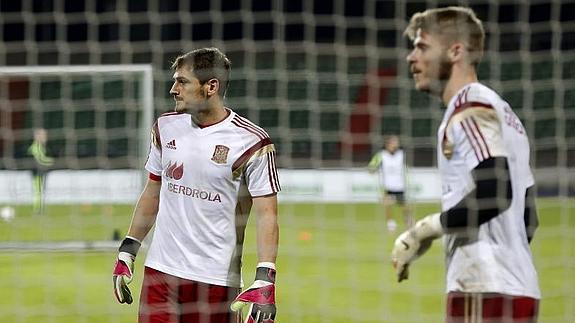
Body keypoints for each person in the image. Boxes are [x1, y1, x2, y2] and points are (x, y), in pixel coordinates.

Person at [391, 7, 540, 322]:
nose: (411, 57)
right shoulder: (506, 114)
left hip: (483, 288)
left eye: (421, 46)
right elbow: (529, 218)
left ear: (455, 51)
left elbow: (495, 190)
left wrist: (423, 230)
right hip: (519, 288)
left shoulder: (470, 104)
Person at [112, 47, 281, 323]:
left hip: (215, 280)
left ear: (210, 86)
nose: (173, 89)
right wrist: (128, 248)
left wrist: (265, 277)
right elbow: (152, 192)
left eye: (182, 81)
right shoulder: (164, 128)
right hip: (160, 272)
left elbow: (267, 214)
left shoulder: (253, 143)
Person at [368, 135, 413, 231]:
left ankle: (408, 221)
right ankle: (390, 223)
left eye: (396, 142)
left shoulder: (401, 154)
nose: (396, 144)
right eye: (394, 142)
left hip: (400, 185)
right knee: (388, 205)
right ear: (388, 144)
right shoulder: (381, 155)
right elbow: (371, 167)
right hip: (387, 186)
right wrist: (373, 169)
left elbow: (407, 167)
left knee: (405, 205)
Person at [27, 128, 54, 215]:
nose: (45, 137)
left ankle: (39, 209)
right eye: (42, 135)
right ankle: (37, 210)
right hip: (37, 172)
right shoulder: (36, 146)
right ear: (37, 136)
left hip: (40, 171)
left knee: (39, 191)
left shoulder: (40, 146)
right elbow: (40, 159)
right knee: (38, 192)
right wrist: (52, 161)